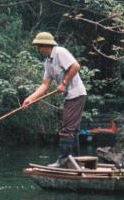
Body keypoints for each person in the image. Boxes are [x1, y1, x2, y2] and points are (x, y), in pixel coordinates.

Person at [22, 32, 87, 168]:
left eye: (40, 46)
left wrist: (63, 83)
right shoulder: (48, 62)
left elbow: (76, 66)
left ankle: (64, 161)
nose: (38, 49)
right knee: (72, 130)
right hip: (70, 97)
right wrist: (30, 99)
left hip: (77, 94)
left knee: (67, 130)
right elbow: (45, 85)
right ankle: (74, 162)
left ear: (46, 45)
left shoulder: (60, 52)